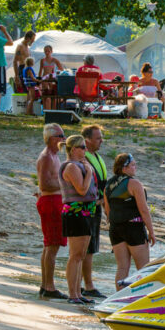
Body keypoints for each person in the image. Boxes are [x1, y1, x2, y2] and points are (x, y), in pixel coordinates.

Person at [103, 153, 157, 286]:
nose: (135, 167)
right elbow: (144, 210)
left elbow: (107, 211)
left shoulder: (108, 185)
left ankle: (118, 299)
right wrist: (151, 232)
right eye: (132, 165)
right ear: (124, 168)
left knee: (122, 268)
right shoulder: (134, 184)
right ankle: (143, 299)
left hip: (115, 228)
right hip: (133, 228)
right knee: (144, 268)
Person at [59, 134, 98, 304]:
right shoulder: (71, 167)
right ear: (73, 149)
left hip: (86, 212)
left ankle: (78, 292)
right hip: (75, 213)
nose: (85, 150)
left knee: (82, 254)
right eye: (82, 147)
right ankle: (72, 294)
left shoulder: (79, 164)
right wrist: (89, 171)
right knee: (75, 255)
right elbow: (81, 190)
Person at [35, 123, 67, 300]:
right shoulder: (47, 156)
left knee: (50, 245)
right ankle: (49, 286)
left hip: (53, 200)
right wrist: (66, 184)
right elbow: (44, 184)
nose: (63, 139)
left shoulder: (54, 156)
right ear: (51, 138)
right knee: (52, 245)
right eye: (61, 136)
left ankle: (45, 284)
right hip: (50, 201)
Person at [80, 124, 108, 299]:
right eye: (98, 138)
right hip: (88, 208)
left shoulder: (95, 157)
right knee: (87, 249)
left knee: (92, 248)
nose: (101, 141)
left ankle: (87, 284)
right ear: (87, 140)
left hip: (97, 207)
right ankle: (87, 285)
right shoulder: (84, 159)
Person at [12, 30, 36, 100]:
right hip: (22, 69)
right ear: (28, 38)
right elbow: (15, 61)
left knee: (29, 92)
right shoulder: (20, 46)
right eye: (32, 40)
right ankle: (24, 109)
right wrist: (16, 76)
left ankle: (27, 109)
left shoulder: (27, 47)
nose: (33, 41)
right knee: (24, 91)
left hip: (27, 70)